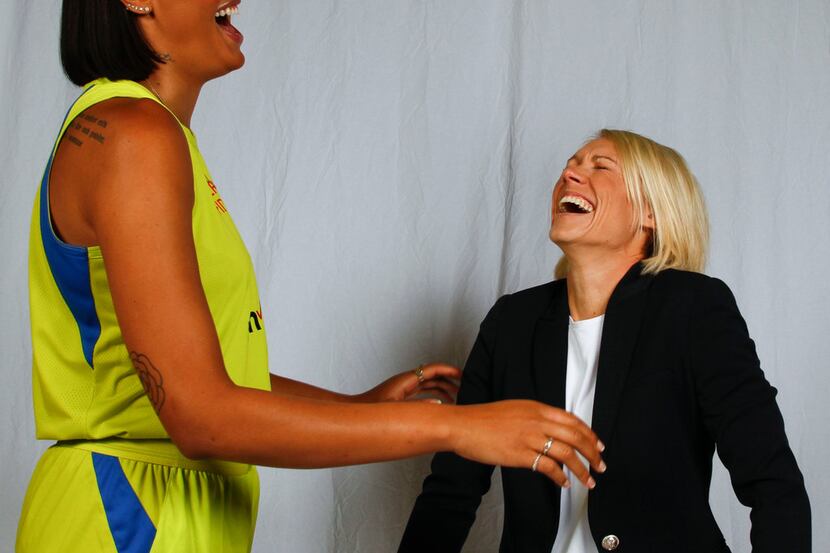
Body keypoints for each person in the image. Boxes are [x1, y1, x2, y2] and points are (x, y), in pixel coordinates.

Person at [16, 2, 608, 552]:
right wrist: (455, 427)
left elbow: (195, 377)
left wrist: (359, 408)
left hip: (158, 506)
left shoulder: (148, 134)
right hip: (125, 515)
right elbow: (201, 415)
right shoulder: (134, 135)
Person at [398, 129, 811, 553]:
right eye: (571, 164)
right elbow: (450, 491)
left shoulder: (692, 307)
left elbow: (772, 481)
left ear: (650, 212)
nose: (570, 175)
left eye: (600, 166)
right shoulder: (511, 321)